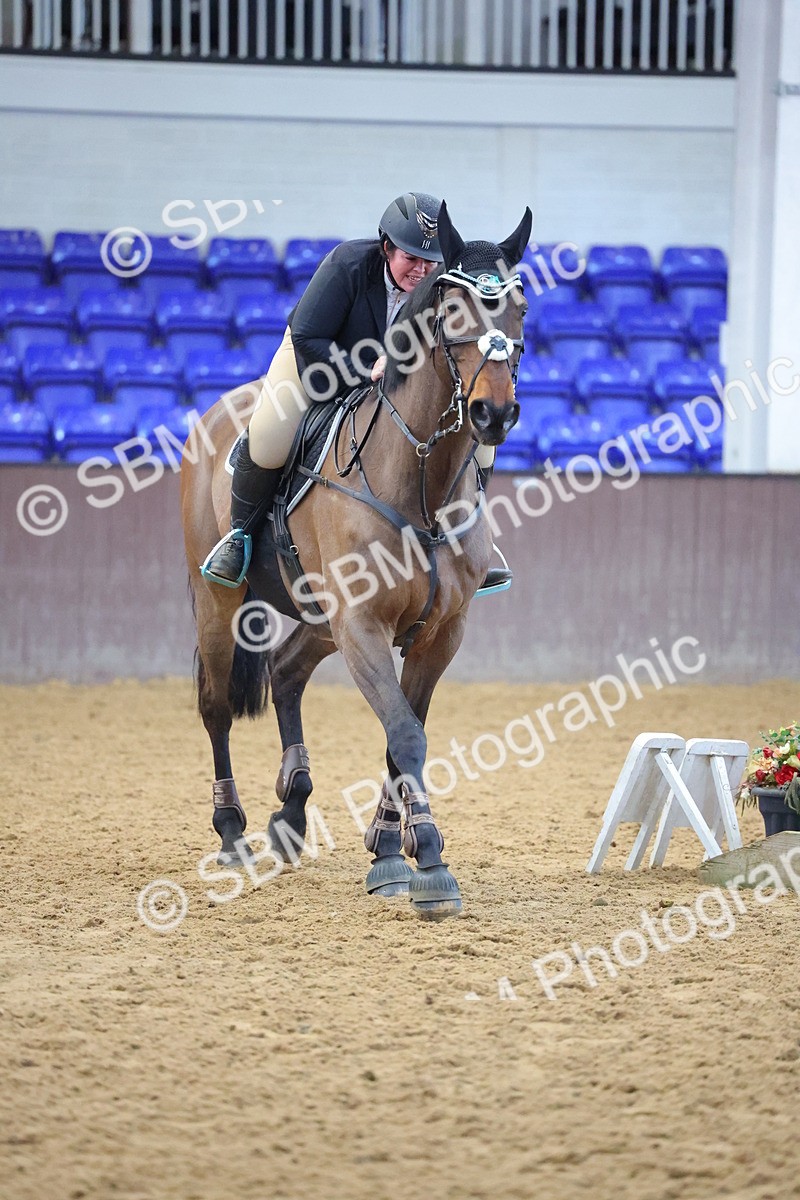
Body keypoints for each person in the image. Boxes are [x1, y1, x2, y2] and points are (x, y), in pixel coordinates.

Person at [200, 191, 511, 595]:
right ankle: (239, 537)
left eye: (430, 261)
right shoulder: (346, 266)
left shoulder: (444, 285)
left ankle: (469, 545)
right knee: (270, 435)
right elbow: (309, 337)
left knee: (481, 444)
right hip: (320, 357)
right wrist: (364, 369)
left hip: (395, 380)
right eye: (410, 258)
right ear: (386, 248)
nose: (421, 270)